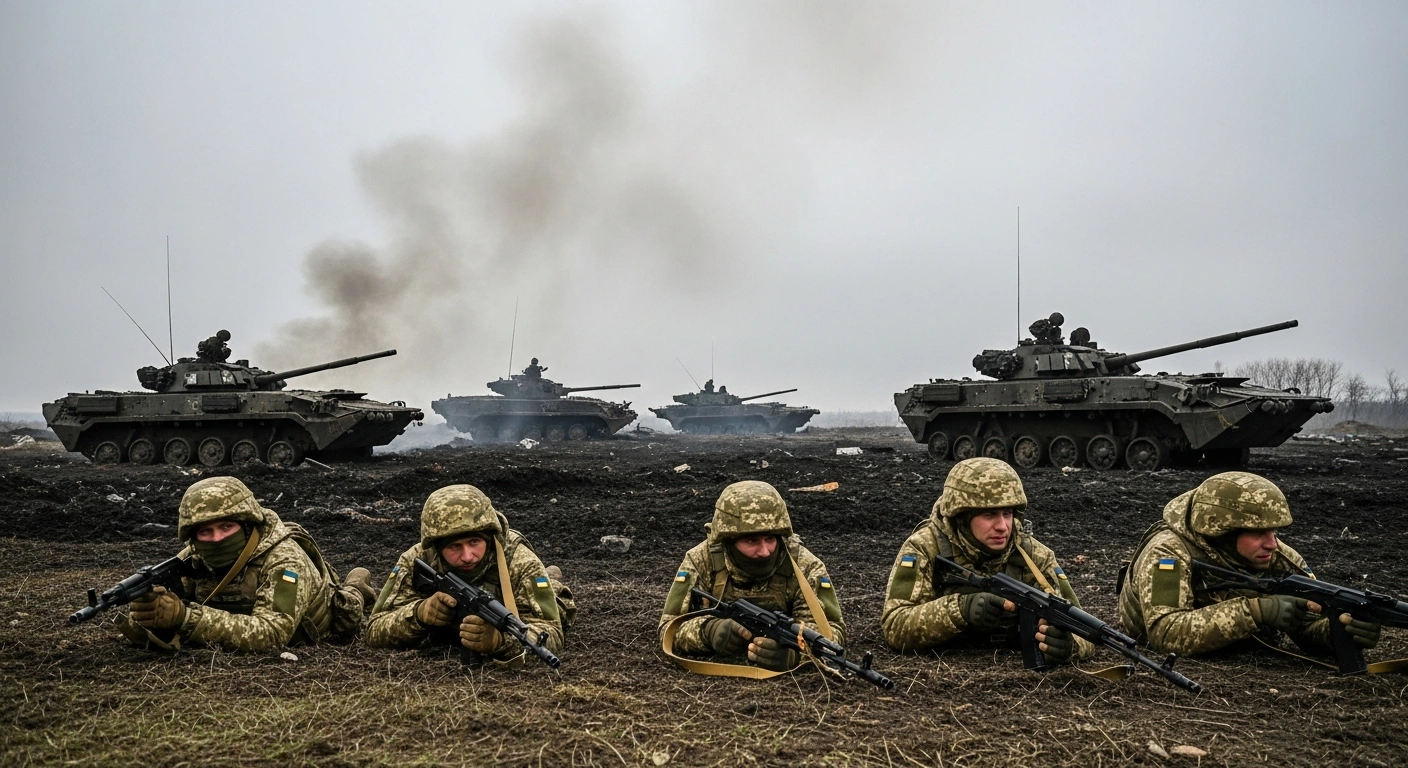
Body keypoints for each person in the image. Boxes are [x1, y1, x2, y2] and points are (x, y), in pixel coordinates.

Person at [1118, 471, 1380, 657]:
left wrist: (1340, 631)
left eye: (1274, 531)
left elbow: (1305, 625)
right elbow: (1166, 633)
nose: (1272, 544)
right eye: (1257, 533)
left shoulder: (1278, 557)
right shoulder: (1167, 554)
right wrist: (1256, 611)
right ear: (1222, 531)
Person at [119, 476, 374, 651]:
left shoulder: (285, 560)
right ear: (194, 536)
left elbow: (273, 633)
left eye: (226, 527)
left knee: (348, 607)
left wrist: (185, 617)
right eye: (205, 532)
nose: (217, 539)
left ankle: (357, 584)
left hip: (324, 619)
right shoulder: (194, 557)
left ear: (247, 524)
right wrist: (150, 615)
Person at [881, 457, 1093, 664]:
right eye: (989, 515)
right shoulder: (925, 548)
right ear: (962, 517)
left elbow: (1084, 628)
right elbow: (895, 625)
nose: (1002, 526)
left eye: (1007, 513)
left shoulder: (1034, 556)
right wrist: (960, 609)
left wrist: (1069, 646)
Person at [364, 484, 572, 664]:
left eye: (474, 542)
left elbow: (551, 633)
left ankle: (551, 578)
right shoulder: (418, 559)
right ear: (436, 547)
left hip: (521, 596)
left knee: (558, 602)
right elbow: (374, 630)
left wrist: (501, 642)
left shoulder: (519, 560)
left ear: (489, 538)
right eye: (454, 546)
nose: (467, 556)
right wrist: (418, 613)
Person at [659, 480, 844, 676]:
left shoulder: (804, 566)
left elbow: (832, 635)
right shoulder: (702, 561)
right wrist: (708, 632)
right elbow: (669, 629)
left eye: (771, 539)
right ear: (728, 539)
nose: (765, 552)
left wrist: (795, 655)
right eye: (752, 541)